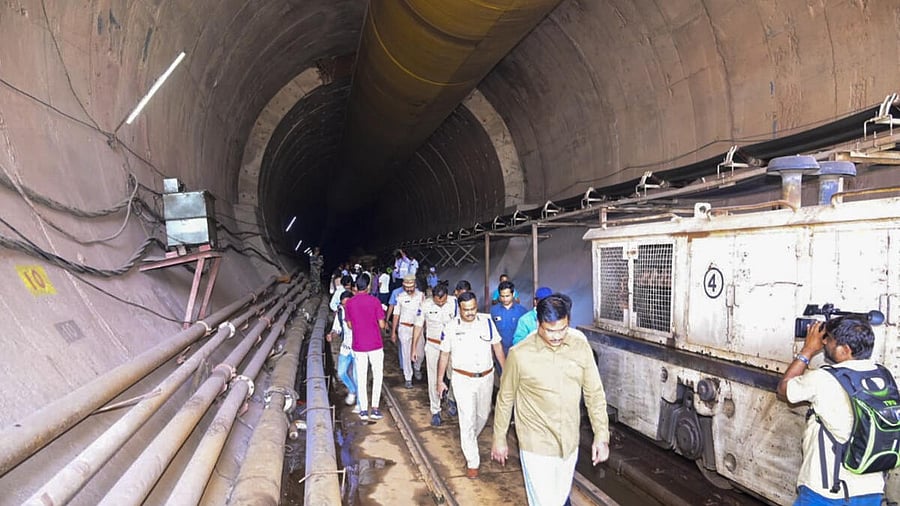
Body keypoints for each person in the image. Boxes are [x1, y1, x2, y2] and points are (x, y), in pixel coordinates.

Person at [492, 293, 610, 505]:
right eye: (550, 330)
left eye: (562, 329)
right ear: (538, 323)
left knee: (559, 498)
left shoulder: (580, 346)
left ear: (569, 322)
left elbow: (594, 392)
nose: (557, 336)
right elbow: (505, 397)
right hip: (536, 444)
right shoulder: (520, 354)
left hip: (569, 442)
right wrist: (499, 438)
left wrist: (601, 435)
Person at [776, 317, 885, 505]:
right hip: (872, 488)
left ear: (845, 350)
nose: (824, 342)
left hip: (828, 491)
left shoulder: (824, 379)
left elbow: (783, 389)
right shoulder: (883, 375)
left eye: (830, 339)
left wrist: (808, 350)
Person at [436, 291, 505, 479]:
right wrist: (440, 380)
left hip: (486, 378)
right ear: (460, 308)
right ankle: (472, 461)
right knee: (467, 419)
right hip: (462, 379)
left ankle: (469, 440)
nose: (470, 313)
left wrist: (505, 371)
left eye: (473, 308)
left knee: (483, 415)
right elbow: (444, 355)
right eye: (466, 310)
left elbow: (497, 346)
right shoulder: (450, 327)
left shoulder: (487, 322)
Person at [412, 283, 458, 426]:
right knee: (433, 378)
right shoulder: (425, 305)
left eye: (442, 301)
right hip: (433, 345)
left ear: (446, 295)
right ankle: (435, 410)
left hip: (451, 346)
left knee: (454, 375)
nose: (440, 303)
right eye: (437, 301)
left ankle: (451, 398)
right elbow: (418, 325)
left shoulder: (455, 303)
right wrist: (414, 347)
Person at [344, 275, 387, 422]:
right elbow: (381, 325)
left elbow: (349, 325)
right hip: (375, 344)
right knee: (377, 375)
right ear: (368, 286)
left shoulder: (349, 303)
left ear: (356, 287)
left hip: (358, 346)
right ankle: (375, 409)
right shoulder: (375, 301)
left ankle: (363, 410)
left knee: (361, 377)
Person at [391, 274, 426, 388]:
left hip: (418, 328)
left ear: (415, 285)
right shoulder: (400, 297)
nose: (409, 289)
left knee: (420, 353)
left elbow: (424, 313)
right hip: (404, 328)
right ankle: (408, 377)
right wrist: (393, 332)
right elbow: (396, 315)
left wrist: (425, 328)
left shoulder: (421, 296)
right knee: (406, 353)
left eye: (411, 287)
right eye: (407, 287)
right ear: (404, 286)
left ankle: (417, 367)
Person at [326, 291, 357, 410]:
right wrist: (331, 334)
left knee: (355, 374)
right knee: (342, 372)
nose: (345, 306)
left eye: (347, 303)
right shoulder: (340, 313)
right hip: (346, 347)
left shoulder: (359, 311)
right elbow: (336, 328)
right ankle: (353, 390)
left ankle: (359, 402)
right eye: (343, 304)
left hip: (357, 348)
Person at [490, 280, 528, 373]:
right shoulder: (493, 311)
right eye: (502, 296)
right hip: (499, 353)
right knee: (502, 377)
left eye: (507, 296)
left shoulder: (522, 311)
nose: (505, 299)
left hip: (517, 352)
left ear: (513, 294)